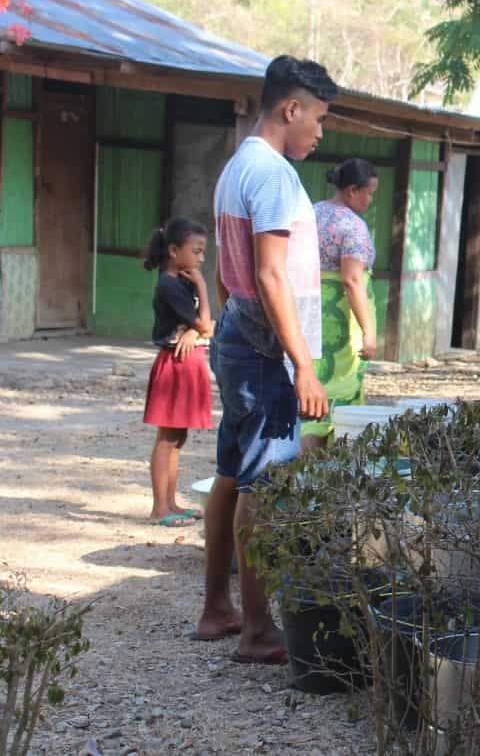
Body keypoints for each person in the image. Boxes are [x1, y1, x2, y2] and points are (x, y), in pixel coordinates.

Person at [194, 55, 337, 663]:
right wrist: (301, 363)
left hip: (239, 338)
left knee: (232, 472)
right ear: (291, 109)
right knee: (265, 485)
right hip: (265, 354)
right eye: (319, 119)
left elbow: (233, 275)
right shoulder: (273, 173)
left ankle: (217, 608)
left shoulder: (237, 165)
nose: (320, 132)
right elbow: (270, 273)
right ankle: (257, 628)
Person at [301, 158, 379, 451]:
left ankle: (299, 478)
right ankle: (316, 476)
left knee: (311, 395)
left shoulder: (312, 213)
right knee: (337, 397)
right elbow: (352, 281)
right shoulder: (352, 227)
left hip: (309, 314)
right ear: (351, 190)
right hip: (340, 324)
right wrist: (368, 331)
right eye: (368, 192)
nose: (370, 200)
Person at [141, 218, 214, 527]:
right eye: (196, 251)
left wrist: (195, 333)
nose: (200, 259)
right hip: (175, 365)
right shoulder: (171, 284)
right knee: (167, 438)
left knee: (178, 438)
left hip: (186, 361)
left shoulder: (179, 281)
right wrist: (202, 286)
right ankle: (160, 508)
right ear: (173, 250)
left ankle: (170, 502)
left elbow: (201, 330)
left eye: (202, 253)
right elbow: (207, 325)